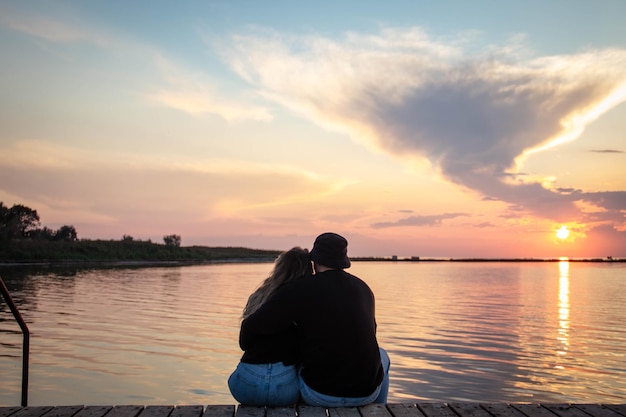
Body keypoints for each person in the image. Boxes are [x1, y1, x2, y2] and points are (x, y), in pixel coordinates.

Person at [241, 232, 390, 407]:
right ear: (343, 259)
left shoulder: (299, 288)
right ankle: (380, 409)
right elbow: (370, 335)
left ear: (315, 260)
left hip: (318, 394)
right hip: (367, 394)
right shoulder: (364, 289)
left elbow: (253, 325)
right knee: (383, 355)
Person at [228, 247, 312, 406]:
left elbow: (244, 343)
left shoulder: (260, 295)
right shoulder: (305, 297)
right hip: (283, 385)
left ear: (280, 267)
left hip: (244, 382)